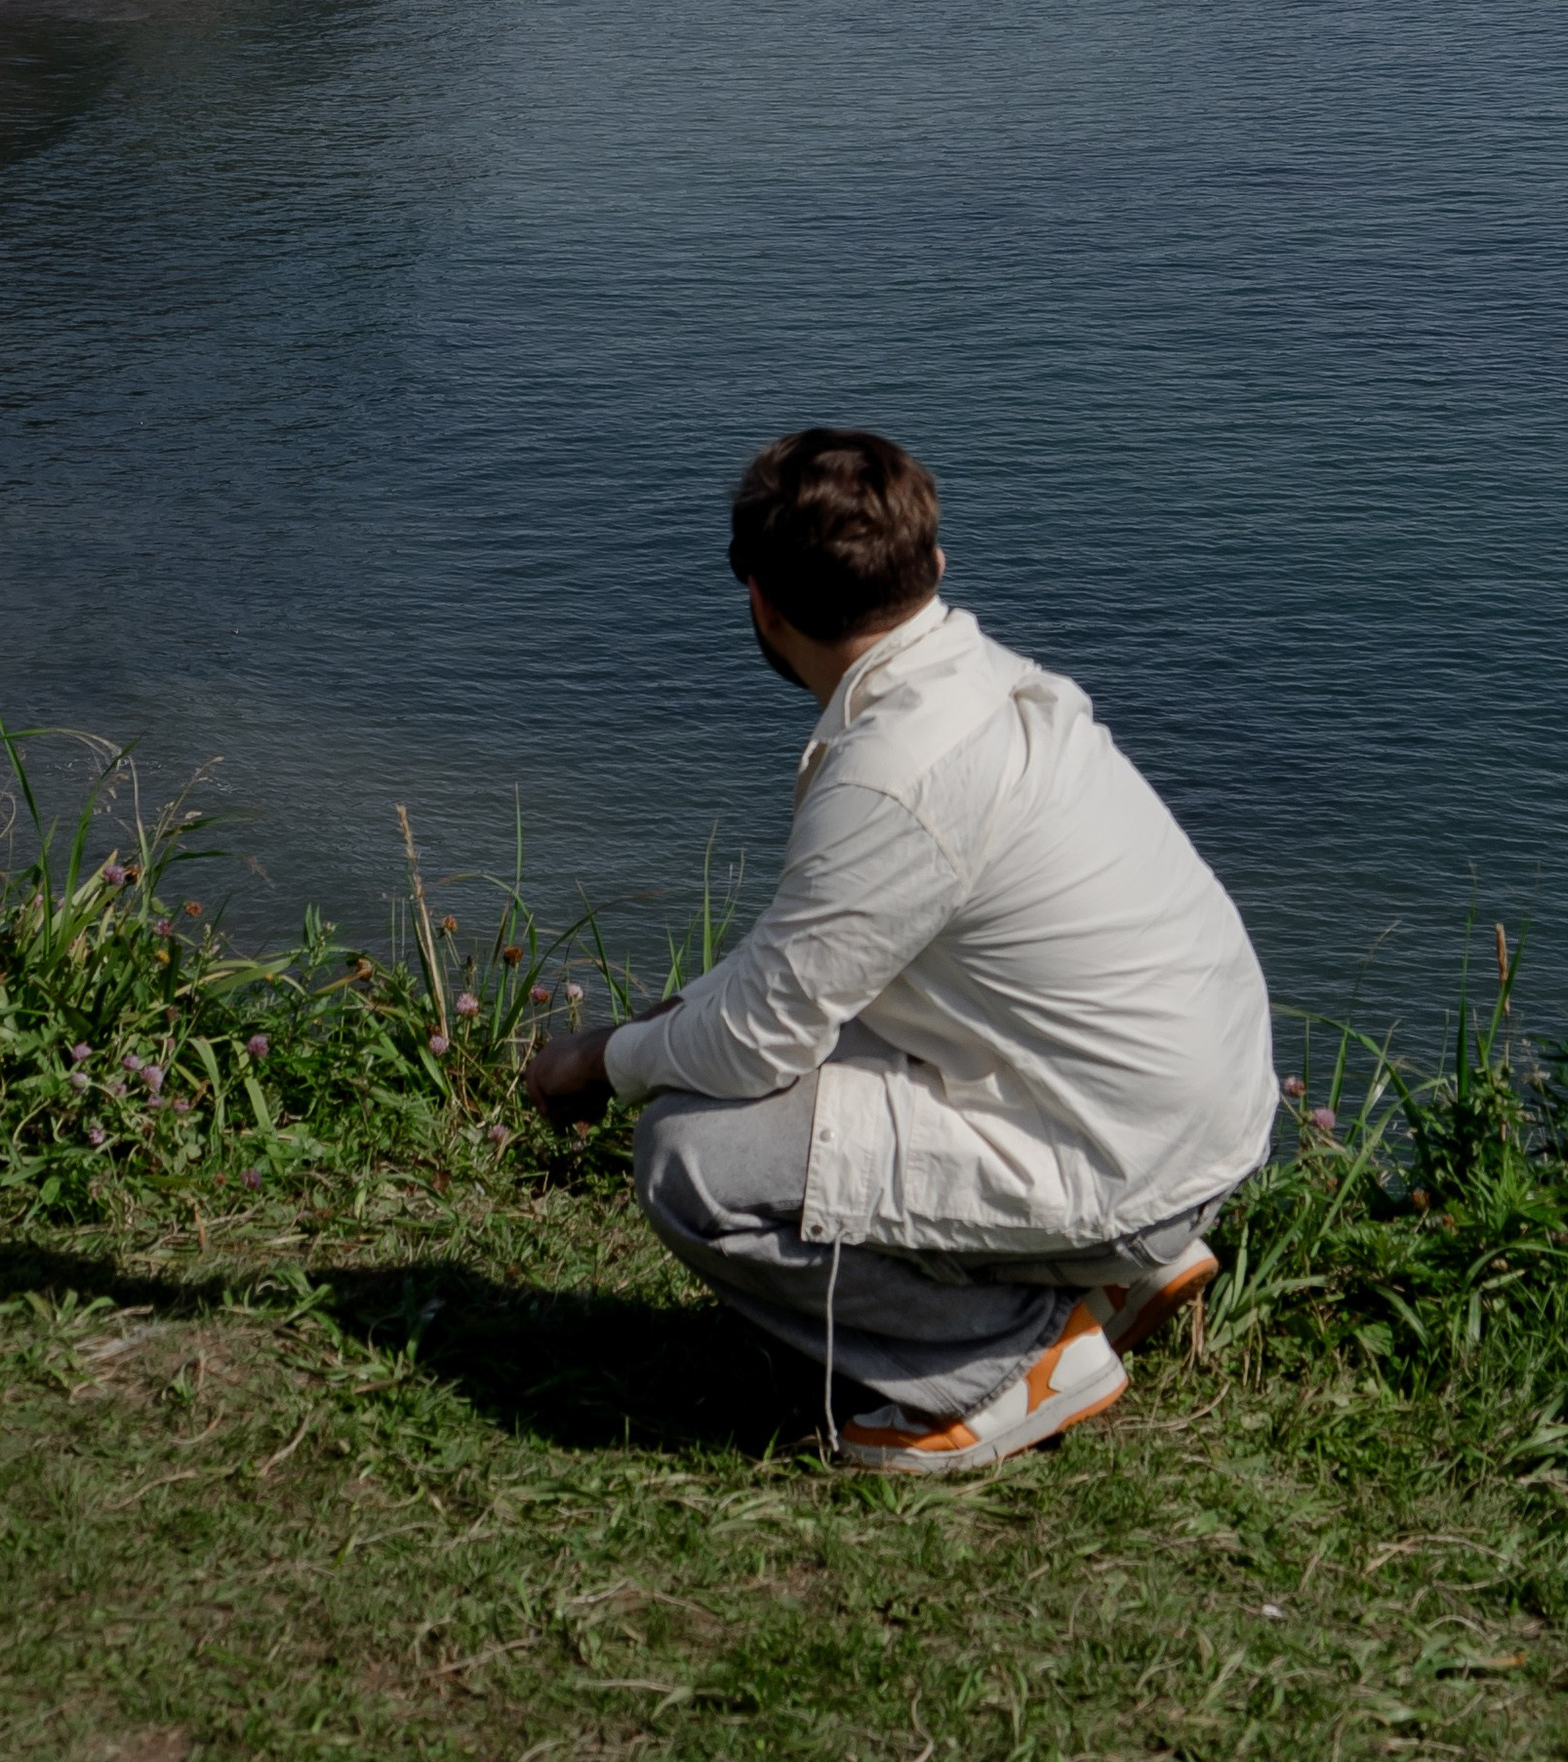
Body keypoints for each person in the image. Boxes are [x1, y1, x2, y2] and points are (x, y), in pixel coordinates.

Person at [524, 425, 1279, 1475]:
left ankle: (1005, 1365)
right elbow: (799, 977)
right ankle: (1109, 1276)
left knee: (689, 1159)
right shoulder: (981, 684)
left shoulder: (895, 772)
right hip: (1189, 1117)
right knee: (771, 1064)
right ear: (932, 567)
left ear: (760, 603)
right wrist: (661, 1025)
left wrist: (598, 1061)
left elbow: (752, 1047)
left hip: (1127, 1159)